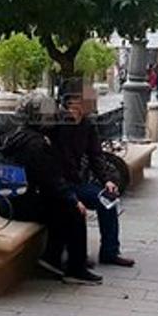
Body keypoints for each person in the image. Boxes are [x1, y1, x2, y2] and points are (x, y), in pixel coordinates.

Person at [0, 92, 103, 285]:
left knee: (60, 206)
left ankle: (52, 258)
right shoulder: (36, 144)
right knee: (73, 211)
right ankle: (75, 268)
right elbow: (51, 180)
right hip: (20, 204)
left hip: (11, 200)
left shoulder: (23, 135)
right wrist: (73, 200)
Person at [51, 92, 136, 268]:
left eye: (80, 106)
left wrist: (107, 180)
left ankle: (110, 251)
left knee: (107, 201)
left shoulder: (88, 124)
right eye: (73, 107)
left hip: (77, 181)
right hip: (58, 184)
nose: (77, 111)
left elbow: (95, 155)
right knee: (73, 210)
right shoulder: (55, 125)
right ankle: (75, 255)